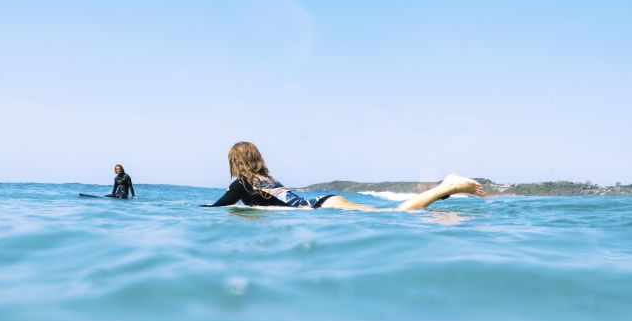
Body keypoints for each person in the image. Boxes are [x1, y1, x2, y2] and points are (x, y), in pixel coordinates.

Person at [203, 142, 484, 211]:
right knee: (391, 213)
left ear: (235, 163)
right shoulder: (267, 180)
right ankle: (443, 194)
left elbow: (217, 208)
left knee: (395, 214)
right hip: (325, 202)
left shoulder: (243, 184)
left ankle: (446, 186)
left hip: (322, 208)